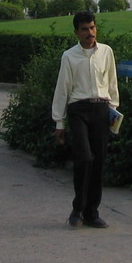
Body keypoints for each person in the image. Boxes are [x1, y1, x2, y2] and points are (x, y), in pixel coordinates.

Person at [51, 11, 120, 229]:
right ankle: (77, 208)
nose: (89, 33)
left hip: (101, 109)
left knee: (98, 161)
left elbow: (112, 84)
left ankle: (92, 212)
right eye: (84, 29)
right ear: (76, 32)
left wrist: (114, 111)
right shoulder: (69, 56)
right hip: (78, 109)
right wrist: (59, 123)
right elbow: (63, 89)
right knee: (85, 158)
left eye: (92, 28)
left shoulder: (106, 52)